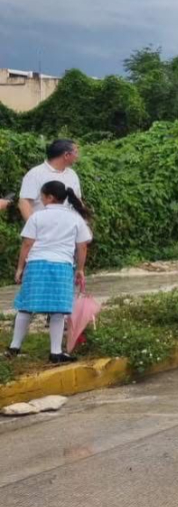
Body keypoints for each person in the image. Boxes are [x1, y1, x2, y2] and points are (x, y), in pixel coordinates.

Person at [8, 181, 93, 364]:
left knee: (25, 307)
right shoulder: (75, 218)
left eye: (42, 195)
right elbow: (83, 247)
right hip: (62, 266)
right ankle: (56, 352)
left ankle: (14, 348)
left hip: (37, 265)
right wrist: (80, 269)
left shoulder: (37, 217)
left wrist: (20, 268)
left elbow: (27, 244)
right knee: (58, 311)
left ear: (50, 197)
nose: (40, 198)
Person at [19, 139, 81, 221]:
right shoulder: (35, 174)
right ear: (66, 155)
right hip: (45, 230)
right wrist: (35, 229)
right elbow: (24, 203)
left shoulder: (72, 174)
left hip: (69, 230)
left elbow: (78, 201)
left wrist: (85, 225)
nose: (78, 156)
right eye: (76, 152)